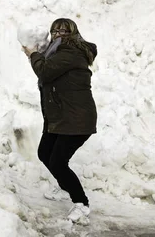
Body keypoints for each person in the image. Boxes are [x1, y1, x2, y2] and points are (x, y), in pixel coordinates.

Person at [22, 18, 98, 223]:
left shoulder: (70, 52)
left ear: (72, 33)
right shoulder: (57, 53)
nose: (58, 34)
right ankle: (65, 187)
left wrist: (34, 55)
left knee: (57, 162)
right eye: (54, 30)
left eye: (64, 30)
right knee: (44, 153)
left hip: (76, 119)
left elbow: (45, 72)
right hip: (61, 117)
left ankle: (81, 204)